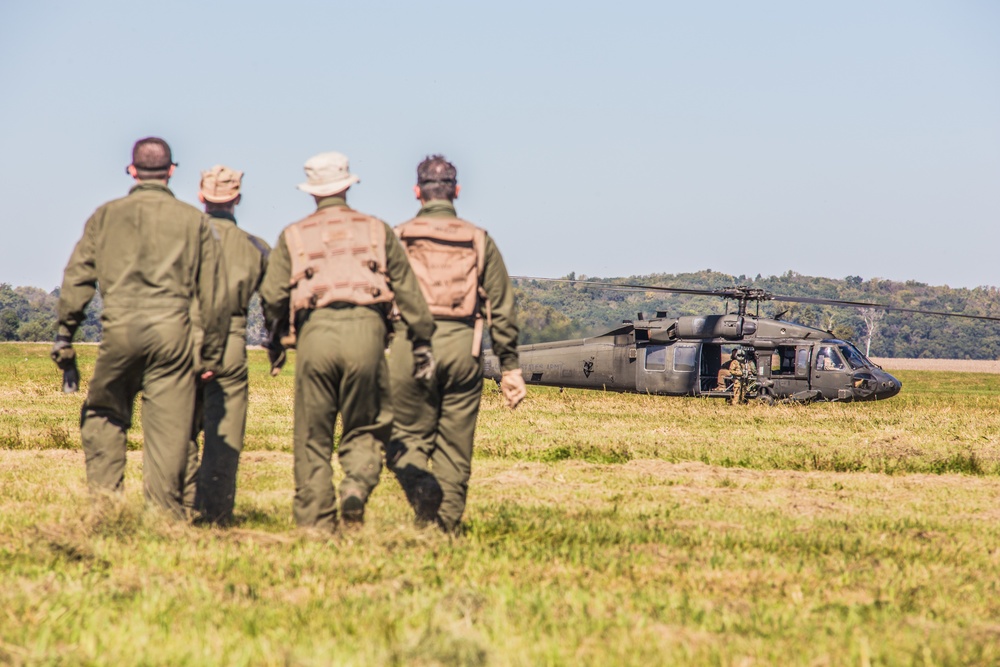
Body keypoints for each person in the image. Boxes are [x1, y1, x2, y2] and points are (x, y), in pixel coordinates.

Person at [52, 137, 229, 518]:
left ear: (132, 170)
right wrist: (210, 352)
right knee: (171, 429)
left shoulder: (105, 216)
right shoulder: (194, 221)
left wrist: (66, 332)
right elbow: (214, 295)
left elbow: (77, 278)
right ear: (172, 171)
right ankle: (165, 517)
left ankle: (105, 507)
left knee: (104, 413)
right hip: (174, 335)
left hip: (121, 330)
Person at [259, 151, 436, 531]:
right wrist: (421, 342)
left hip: (315, 334)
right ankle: (355, 485)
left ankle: (316, 523)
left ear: (312, 192)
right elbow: (410, 294)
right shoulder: (377, 231)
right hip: (367, 334)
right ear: (347, 185)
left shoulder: (292, 235)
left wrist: (275, 341)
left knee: (312, 434)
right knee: (366, 426)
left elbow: (272, 297)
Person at [386, 154, 525, 533]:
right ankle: (445, 526)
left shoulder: (397, 237)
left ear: (417, 192)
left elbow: (380, 297)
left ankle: (421, 489)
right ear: (456, 191)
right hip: (465, 347)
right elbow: (502, 306)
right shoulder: (479, 239)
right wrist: (510, 366)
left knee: (405, 436)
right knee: (455, 443)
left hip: (408, 346)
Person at [183, 165, 270, 525]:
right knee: (225, 435)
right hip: (233, 339)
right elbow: (275, 301)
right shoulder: (255, 246)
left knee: (178, 431)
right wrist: (275, 344)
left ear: (201, 197)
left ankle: (179, 507)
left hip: (181, 338)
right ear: (237, 198)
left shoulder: (181, 240)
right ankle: (216, 514)